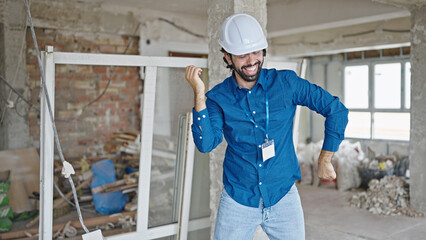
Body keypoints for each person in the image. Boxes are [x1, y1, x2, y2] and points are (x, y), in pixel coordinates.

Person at [185, 13, 348, 240]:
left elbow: (336, 109)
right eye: (242, 55)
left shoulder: (287, 83)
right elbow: (206, 144)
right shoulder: (217, 98)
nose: (251, 60)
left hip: (283, 196)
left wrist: (325, 158)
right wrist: (199, 96)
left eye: (256, 52)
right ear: (227, 56)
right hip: (238, 199)